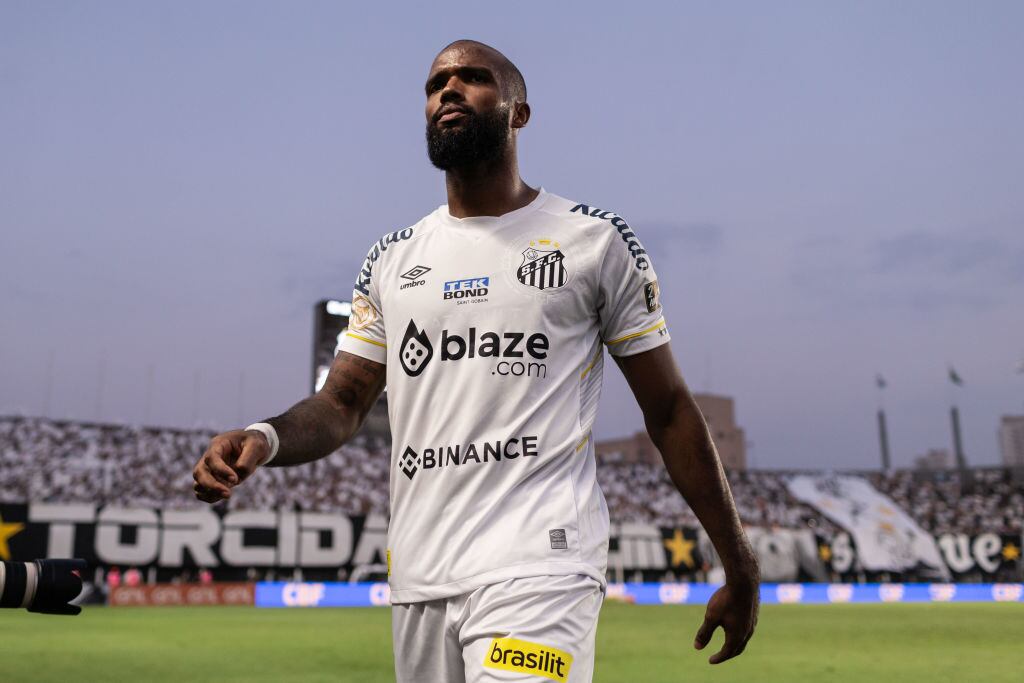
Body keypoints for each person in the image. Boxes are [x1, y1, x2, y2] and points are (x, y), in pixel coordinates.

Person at [193, 39, 759, 682]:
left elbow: (669, 410)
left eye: (473, 78)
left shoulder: (593, 241)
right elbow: (341, 403)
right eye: (436, 85)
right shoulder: (393, 259)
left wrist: (738, 560)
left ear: (519, 112)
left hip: (541, 564)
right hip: (421, 574)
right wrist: (264, 438)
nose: (449, 91)